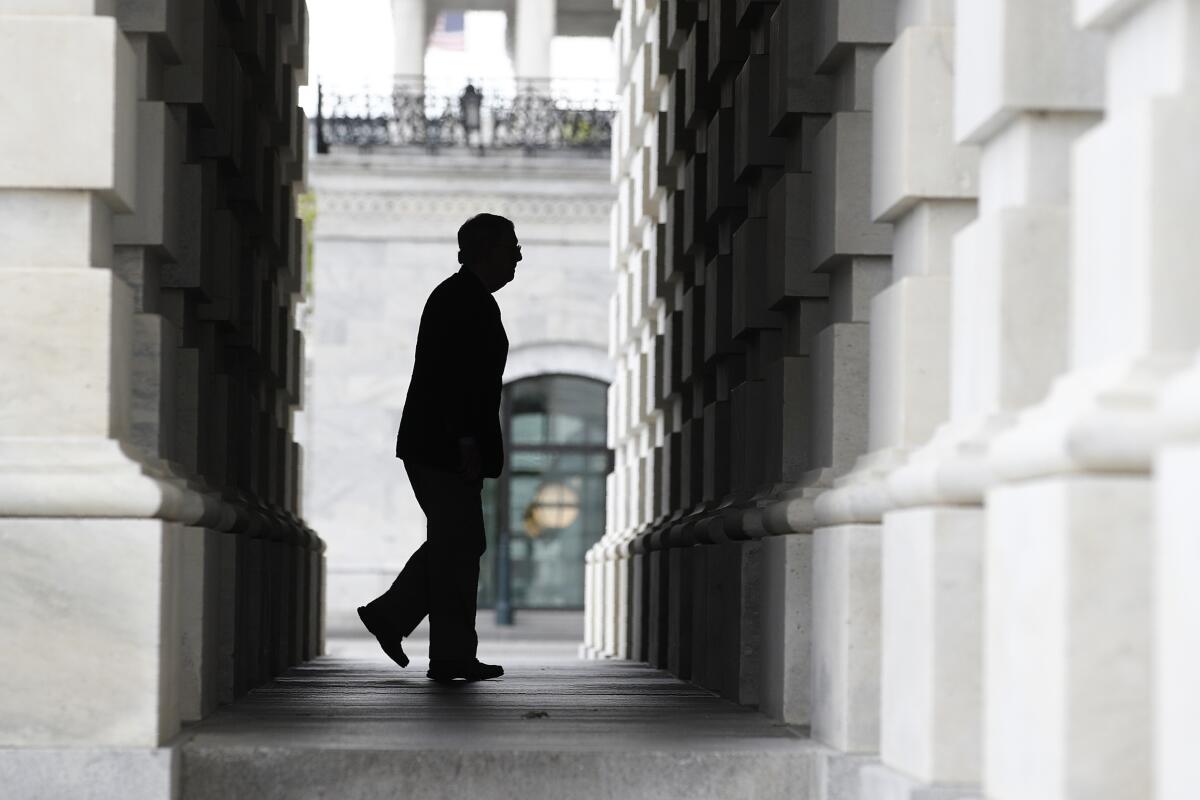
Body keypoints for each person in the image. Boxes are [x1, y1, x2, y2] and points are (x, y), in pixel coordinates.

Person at [357, 213, 520, 682]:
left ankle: (395, 618)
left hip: (439, 443)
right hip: (443, 446)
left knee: (460, 543)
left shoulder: (467, 298)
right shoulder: (460, 300)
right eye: (512, 246)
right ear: (486, 250)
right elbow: (451, 379)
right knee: (460, 543)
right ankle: (444, 651)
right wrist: (465, 439)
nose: (519, 255)